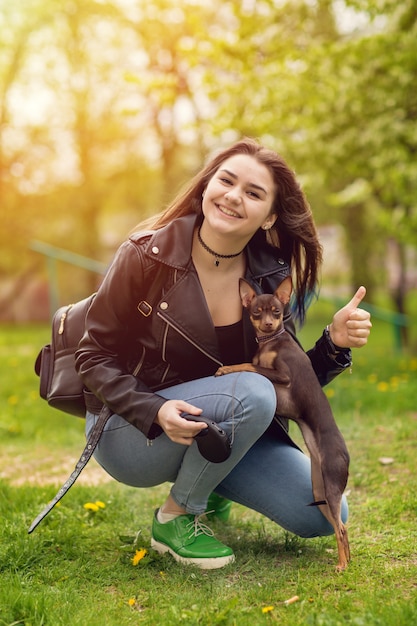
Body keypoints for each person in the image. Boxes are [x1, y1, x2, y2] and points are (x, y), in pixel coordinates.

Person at [75, 137, 372, 570]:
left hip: (225, 427)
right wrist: (154, 410)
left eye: (253, 193)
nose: (234, 196)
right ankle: (177, 518)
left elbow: (285, 383)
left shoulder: (269, 273)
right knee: (249, 391)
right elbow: (92, 355)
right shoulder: (145, 255)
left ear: (269, 215)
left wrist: (334, 344)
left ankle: (210, 478)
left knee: (326, 515)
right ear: (206, 185)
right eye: (226, 181)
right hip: (132, 428)